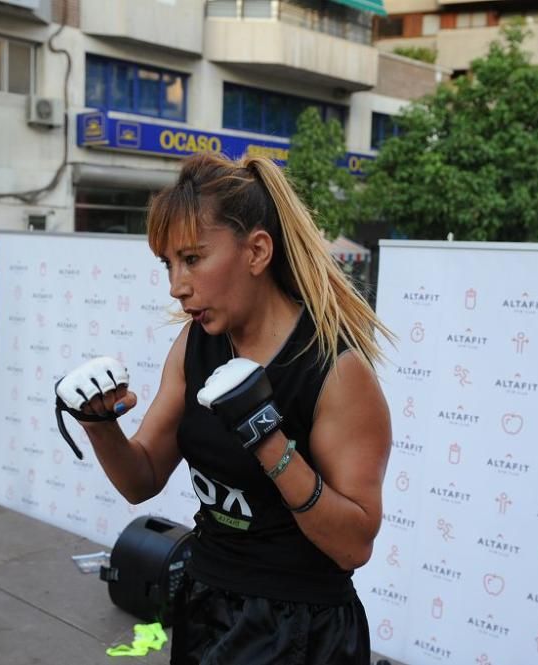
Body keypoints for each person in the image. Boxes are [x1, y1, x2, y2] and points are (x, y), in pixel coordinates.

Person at [55, 154, 393, 664]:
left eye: (192, 258)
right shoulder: (196, 344)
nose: (176, 285)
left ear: (256, 251)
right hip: (206, 599)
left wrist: (267, 437)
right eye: (167, 264)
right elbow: (141, 477)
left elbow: (353, 547)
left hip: (300, 626)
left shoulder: (334, 371)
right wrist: (100, 425)